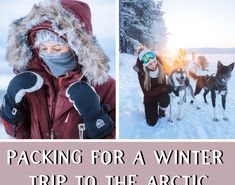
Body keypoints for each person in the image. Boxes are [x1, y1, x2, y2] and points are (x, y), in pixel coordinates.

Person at [1, 0, 115, 139]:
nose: (48, 54)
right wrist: (10, 103)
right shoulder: (31, 84)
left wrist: (96, 119)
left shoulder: (106, 86)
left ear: (76, 48)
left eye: (57, 48)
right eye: (43, 48)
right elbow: (18, 134)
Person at [133, 47, 171, 127]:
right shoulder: (142, 73)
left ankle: (161, 111)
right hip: (150, 97)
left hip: (161, 94)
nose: (154, 65)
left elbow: (170, 72)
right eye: (150, 64)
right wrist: (165, 88)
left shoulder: (160, 64)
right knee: (151, 122)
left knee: (166, 98)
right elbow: (147, 92)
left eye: (154, 62)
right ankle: (152, 109)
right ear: (144, 65)